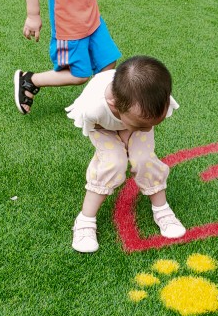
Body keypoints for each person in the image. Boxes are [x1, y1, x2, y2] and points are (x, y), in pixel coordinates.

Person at [66, 56, 186, 252]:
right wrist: (121, 138)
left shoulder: (151, 100)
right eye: (143, 126)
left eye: (153, 124)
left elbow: (144, 124)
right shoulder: (93, 107)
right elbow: (92, 126)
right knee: (113, 163)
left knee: (144, 159)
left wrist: (134, 129)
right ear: (114, 105)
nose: (148, 130)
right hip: (102, 127)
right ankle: (85, 220)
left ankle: (161, 209)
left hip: (131, 122)